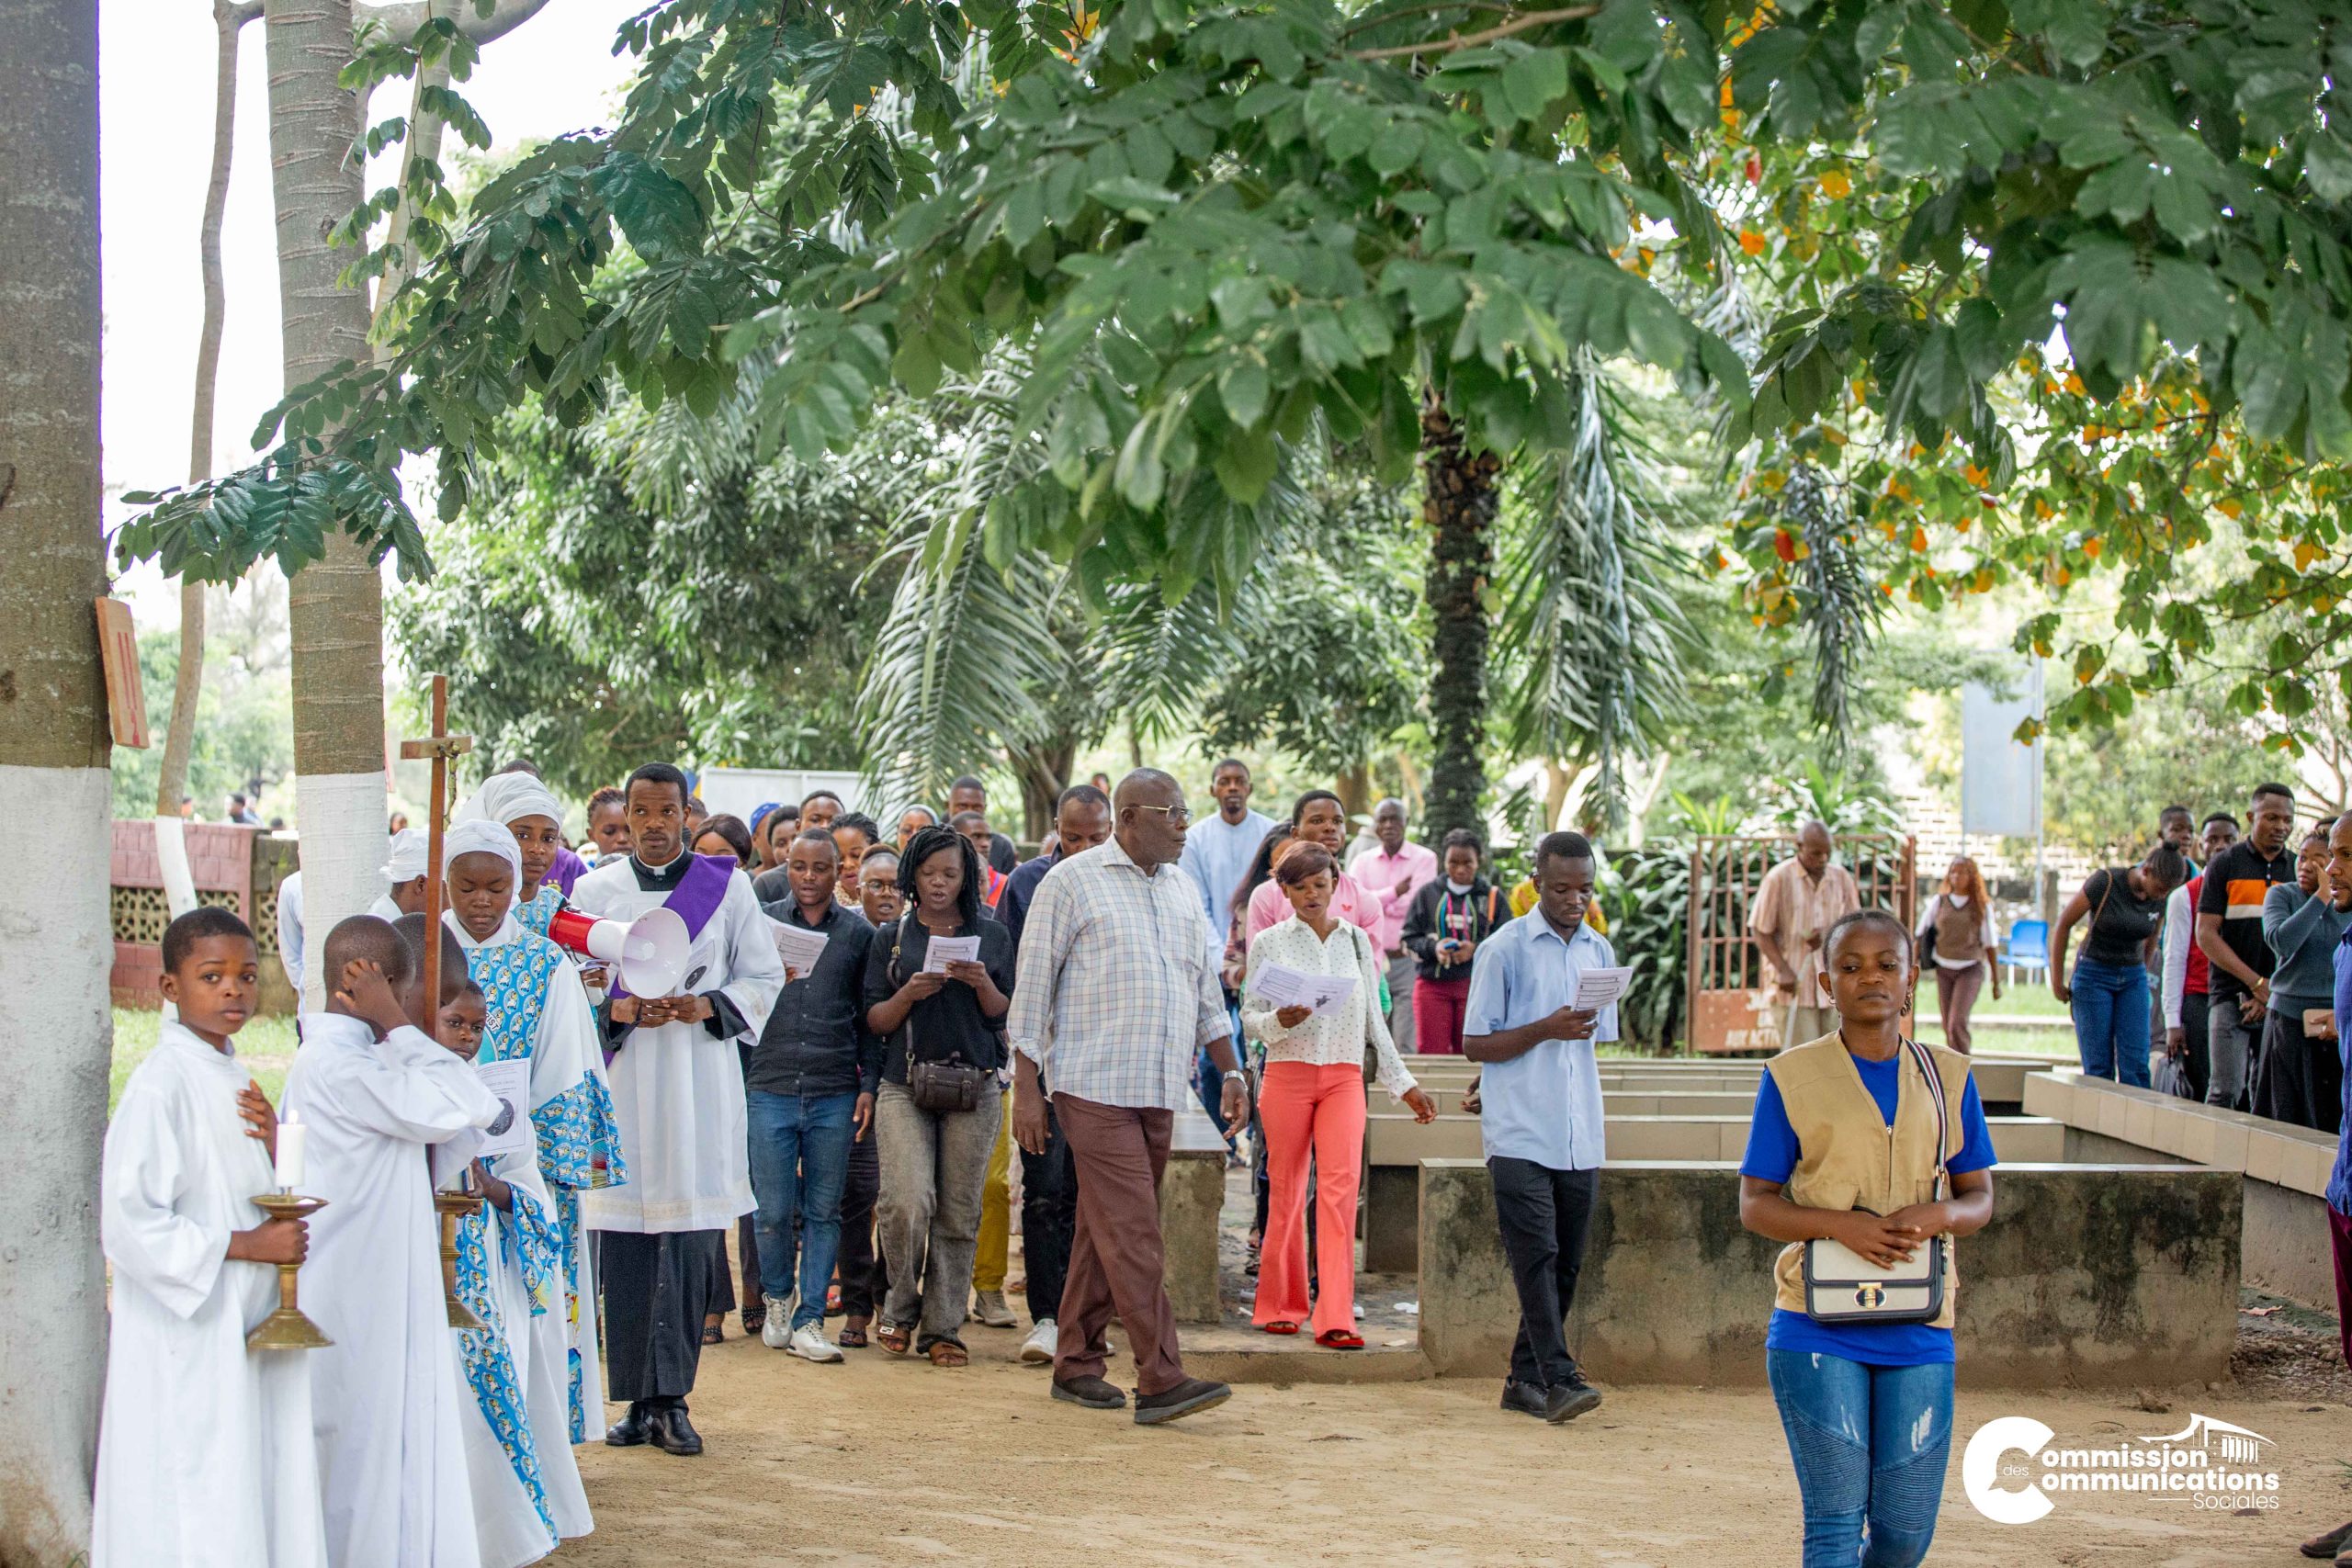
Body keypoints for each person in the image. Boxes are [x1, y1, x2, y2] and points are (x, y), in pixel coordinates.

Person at [1737, 909, 1997, 1568]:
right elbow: (1755, 1204)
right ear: (1827, 982)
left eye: (1886, 963)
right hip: (1816, 1325)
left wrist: (1940, 1216)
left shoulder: (1950, 1076)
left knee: (1905, 1532)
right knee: (1832, 1524)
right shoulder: (1791, 1076)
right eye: (1850, 966)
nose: (1869, 977)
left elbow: (1980, 1196)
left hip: (1920, 1320)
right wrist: (1842, 1223)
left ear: (1912, 977)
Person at [1008, 769, 1248, 1424]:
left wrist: (1231, 1071)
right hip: (1091, 1085)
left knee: (1102, 1230)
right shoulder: (1070, 882)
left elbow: (1204, 992)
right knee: (1137, 1230)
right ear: (1130, 815)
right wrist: (1026, 1090)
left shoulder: (1181, 888)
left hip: (1160, 1085)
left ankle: (1076, 1359)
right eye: (1173, 812)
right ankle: (1161, 1374)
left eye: (1183, 812)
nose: (1183, 824)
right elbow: (1030, 994)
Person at [96, 908, 329, 1568]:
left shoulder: (232, 1075)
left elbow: (248, 1183)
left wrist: (278, 1146)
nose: (234, 989)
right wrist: (247, 1246)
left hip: (246, 1320)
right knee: (197, 1482)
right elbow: (129, 1219)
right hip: (190, 1329)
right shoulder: (161, 1085)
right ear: (170, 988)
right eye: (212, 976)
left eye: (246, 975)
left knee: (247, 1472)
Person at [573, 762, 786, 1458]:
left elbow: (763, 973)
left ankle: (674, 1398)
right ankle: (635, 1398)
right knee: (628, 1244)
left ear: (687, 814)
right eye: (642, 812)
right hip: (626, 1084)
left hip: (697, 1077)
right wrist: (621, 1008)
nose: (655, 824)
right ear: (626, 817)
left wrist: (704, 1005)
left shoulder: (725, 889)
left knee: (691, 1240)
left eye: (668, 811)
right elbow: (574, 986)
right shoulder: (595, 890)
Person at [284, 914, 503, 1568]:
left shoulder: (358, 1062)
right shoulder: (345, 1067)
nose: (418, 1015)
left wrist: (396, 1026)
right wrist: (401, 1026)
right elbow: (468, 1101)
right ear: (370, 988)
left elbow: (467, 1109)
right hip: (354, 1285)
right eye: (412, 1000)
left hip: (371, 1277)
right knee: (359, 1447)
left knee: (378, 1444)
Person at [442, 808, 627, 1446]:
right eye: (468, 886)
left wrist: (525, 1170)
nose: (483, 900)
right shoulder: (417, 950)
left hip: (519, 1179)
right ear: (445, 883)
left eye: (498, 886)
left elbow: (567, 1071)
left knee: (524, 1315)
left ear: (516, 881)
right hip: (434, 1174)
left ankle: (533, 1448)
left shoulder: (543, 963)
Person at [1242, 841, 1435, 1346]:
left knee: (1339, 1193)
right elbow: (1249, 1019)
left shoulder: (1355, 943)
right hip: (1287, 1074)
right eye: (1300, 886)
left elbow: (1375, 1021)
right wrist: (1278, 1021)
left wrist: (1404, 1085)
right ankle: (1280, 1305)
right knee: (1285, 1190)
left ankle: (1335, 1315)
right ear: (1283, 891)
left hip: (1345, 1078)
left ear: (1336, 884)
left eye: (1319, 884)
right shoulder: (1268, 943)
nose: (1311, 894)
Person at [1462, 831, 1620, 1424]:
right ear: (1535, 883)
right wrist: (1543, 1030)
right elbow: (1476, 1041)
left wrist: (1554, 1038)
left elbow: (1592, 1042)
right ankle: (1560, 1375)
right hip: (1520, 1128)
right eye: (1561, 888)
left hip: (1579, 1128)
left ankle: (1521, 1380)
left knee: (1568, 1261)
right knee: (1536, 1254)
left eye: (1584, 888)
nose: (1574, 899)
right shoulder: (1504, 950)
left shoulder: (1598, 952)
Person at [429, 967, 581, 1568]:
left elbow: (533, 1192)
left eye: (476, 1025)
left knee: (492, 1402)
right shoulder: (401, 1087)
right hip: (421, 1276)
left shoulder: (498, 1097)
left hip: (489, 1275)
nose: (467, 1036)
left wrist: (496, 1191)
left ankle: (501, 1537)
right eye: (453, 1023)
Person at [858, 826, 1015, 1366]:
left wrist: (979, 983)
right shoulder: (893, 937)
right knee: (904, 1201)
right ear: (912, 877)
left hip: (975, 1085)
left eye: (950, 874)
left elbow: (1004, 1013)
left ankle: (943, 1327)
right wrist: (909, 991)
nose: (939, 884)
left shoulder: (992, 934)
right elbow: (875, 1020)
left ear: (967, 877)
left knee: (958, 1210)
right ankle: (899, 1307)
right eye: (928, 874)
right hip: (903, 1085)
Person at [748, 828, 875, 1363]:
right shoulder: (762, 922)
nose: (808, 878)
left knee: (825, 1209)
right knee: (773, 1210)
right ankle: (778, 1298)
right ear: (785, 865)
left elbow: (868, 1016)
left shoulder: (858, 934)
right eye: (798, 866)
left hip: (832, 1088)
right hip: (769, 1082)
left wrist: (867, 1085)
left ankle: (810, 1320)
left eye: (819, 868)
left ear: (837, 873)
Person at [997, 785, 1113, 1365]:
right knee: (1044, 1193)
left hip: (1107, 1066)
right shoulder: (1027, 884)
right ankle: (1046, 1316)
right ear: (1056, 832)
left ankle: (1086, 1318)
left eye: (1097, 837)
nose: (1085, 848)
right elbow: (1017, 980)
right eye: (1074, 838)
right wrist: (1025, 1080)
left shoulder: (1130, 883)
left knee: (1094, 1199)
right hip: (1044, 1061)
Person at [690, 808, 762, 1343]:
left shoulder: (746, 896)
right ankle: (713, 1302)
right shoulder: (679, 898)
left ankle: (759, 1297)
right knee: (699, 1179)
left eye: (727, 859)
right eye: (705, 855)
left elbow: (755, 976)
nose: (715, 868)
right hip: (693, 1047)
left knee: (743, 1186)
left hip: (746, 1053)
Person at [835, 847, 903, 1348]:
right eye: (875, 884)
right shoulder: (853, 938)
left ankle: (893, 1297)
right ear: (857, 887)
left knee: (902, 1199)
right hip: (857, 1085)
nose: (886, 894)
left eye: (895, 885)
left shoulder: (918, 937)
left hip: (906, 1084)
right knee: (857, 1195)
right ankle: (858, 1304)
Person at [2199, 784, 2301, 1111]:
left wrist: (2270, 990)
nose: (2281, 827)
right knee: (2224, 1091)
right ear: (2250, 816)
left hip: (2281, 999)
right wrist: (2254, 984)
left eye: (2288, 819)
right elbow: (2207, 935)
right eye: (2271, 817)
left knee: (2268, 1096)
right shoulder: (2224, 865)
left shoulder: (2298, 869)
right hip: (2230, 996)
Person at [2052, 844, 2187, 1086]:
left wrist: (2141, 974)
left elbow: (2152, 939)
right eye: (2160, 888)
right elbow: (2063, 925)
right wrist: (2057, 980)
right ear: (2145, 870)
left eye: (2168, 891)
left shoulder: (2160, 899)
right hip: (2094, 974)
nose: (2162, 895)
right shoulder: (2105, 882)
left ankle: (2137, 1121)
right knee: (2099, 1066)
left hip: (2133, 976)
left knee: (2135, 1064)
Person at [2261, 820, 2348, 1132]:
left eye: (2318, 860)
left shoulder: (2347, 900)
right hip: (2288, 1018)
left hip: (2337, 1020)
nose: (2308, 866)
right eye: (2302, 857)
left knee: (2330, 1114)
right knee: (2287, 1113)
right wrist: (2320, 898)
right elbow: (2282, 941)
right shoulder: (2282, 896)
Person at [1748, 821, 1860, 1048]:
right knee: (1802, 1063)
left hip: (1833, 988)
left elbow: (1856, 926)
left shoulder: (1841, 879)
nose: (1823, 859)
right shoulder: (1778, 879)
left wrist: (1830, 934)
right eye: (1816, 853)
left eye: (1827, 853)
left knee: (1837, 1060)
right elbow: (1760, 929)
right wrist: (1783, 970)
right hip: (1795, 985)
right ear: (1799, 846)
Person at [1400, 829, 1510, 1056]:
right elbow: (1408, 939)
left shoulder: (1491, 897)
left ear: (1479, 861)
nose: (1460, 869)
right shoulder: (1427, 894)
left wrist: (1476, 950)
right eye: (1453, 862)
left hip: (1477, 988)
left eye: (1467, 863)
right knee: (1432, 1053)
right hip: (1432, 986)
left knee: (1473, 1053)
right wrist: (1435, 948)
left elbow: (1509, 944)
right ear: (1444, 862)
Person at [1350, 797, 1440, 1056]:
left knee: (1405, 1041)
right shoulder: (1362, 862)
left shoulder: (1424, 859)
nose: (1389, 825)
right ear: (1375, 825)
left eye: (1395, 819)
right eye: (1383, 819)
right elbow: (1357, 904)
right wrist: (1394, 893)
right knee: (1368, 1039)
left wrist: (1377, 900)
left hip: (1407, 960)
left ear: (1406, 823)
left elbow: (1416, 906)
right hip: (1368, 959)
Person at [2162, 813, 2240, 1101]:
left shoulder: (2248, 890)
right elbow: (2175, 958)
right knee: (2205, 1081)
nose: (2220, 846)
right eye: (2212, 839)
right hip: (2199, 999)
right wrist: (2172, 1020)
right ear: (2200, 845)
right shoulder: (2185, 895)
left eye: (2229, 839)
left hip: (2241, 998)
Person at [456, 773, 580, 937]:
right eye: (522, 836)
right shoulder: (464, 908)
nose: (537, 849)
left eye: (548, 838)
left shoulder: (557, 908)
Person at [1246, 791, 1378, 943]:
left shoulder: (1364, 900)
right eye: (1317, 821)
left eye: (1337, 821)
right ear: (1296, 833)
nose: (1330, 827)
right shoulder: (1266, 896)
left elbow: (1369, 964)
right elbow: (1261, 962)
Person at [1177, 757, 1277, 956]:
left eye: (1240, 781)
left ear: (1250, 788)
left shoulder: (1271, 833)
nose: (1233, 788)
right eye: (1224, 782)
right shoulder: (1194, 839)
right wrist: (1220, 959)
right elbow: (1196, 905)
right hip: (1211, 953)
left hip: (1268, 950)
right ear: (1212, 790)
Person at [1915, 854, 1999, 1054]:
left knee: (1957, 1022)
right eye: (1953, 871)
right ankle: (1953, 1066)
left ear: (1972, 876)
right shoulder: (1940, 902)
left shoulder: (1981, 906)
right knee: (1947, 1025)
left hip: (1969, 968)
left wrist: (1996, 982)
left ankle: (1962, 1067)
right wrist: (1912, 970)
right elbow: (1921, 934)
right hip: (1944, 967)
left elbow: (1990, 944)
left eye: (1962, 872)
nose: (1957, 876)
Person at [947, 774, 1021, 873]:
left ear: (984, 808)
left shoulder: (1002, 847)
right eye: (962, 806)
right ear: (948, 806)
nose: (970, 811)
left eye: (976, 807)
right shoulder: (931, 842)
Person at [831, 811, 881, 908]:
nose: (848, 864)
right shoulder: (825, 901)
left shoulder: (898, 898)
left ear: (876, 849)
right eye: (839, 858)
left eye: (856, 855)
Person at [585, 786, 631, 862]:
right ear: (591, 835)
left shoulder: (652, 870)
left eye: (629, 830)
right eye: (609, 832)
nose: (622, 839)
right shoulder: (585, 871)